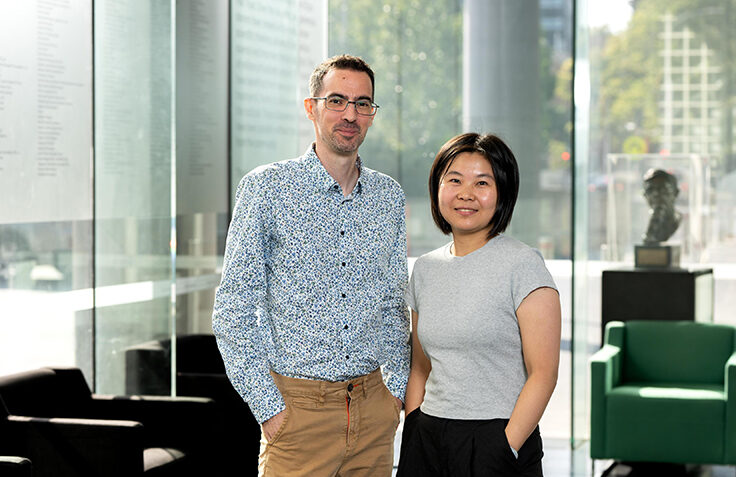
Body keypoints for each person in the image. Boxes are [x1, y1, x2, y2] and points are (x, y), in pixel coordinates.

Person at [212, 54, 409, 477]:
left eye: (363, 103)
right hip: (298, 415)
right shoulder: (267, 188)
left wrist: (393, 395)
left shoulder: (388, 197)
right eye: (337, 100)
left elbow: (395, 304)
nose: (350, 114)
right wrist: (269, 409)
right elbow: (233, 310)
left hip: (373, 412)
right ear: (311, 107)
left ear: (373, 114)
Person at [396, 133, 561, 476]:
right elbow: (421, 366)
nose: (466, 194)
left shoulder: (524, 264)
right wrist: (412, 427)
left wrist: (506, 446)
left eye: (482, 182)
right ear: (437, 187)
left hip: (497, 437)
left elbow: (543, 374)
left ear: (502, 192)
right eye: (454, 180)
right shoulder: (425, 269)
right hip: (428, 436)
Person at [641, 168, 682, 244]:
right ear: (644, 195)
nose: (656, 194)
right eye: (650, 190)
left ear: (675, 193)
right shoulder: (648, 224)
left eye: (662, 188)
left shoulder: (677, 220)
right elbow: (648, 241)